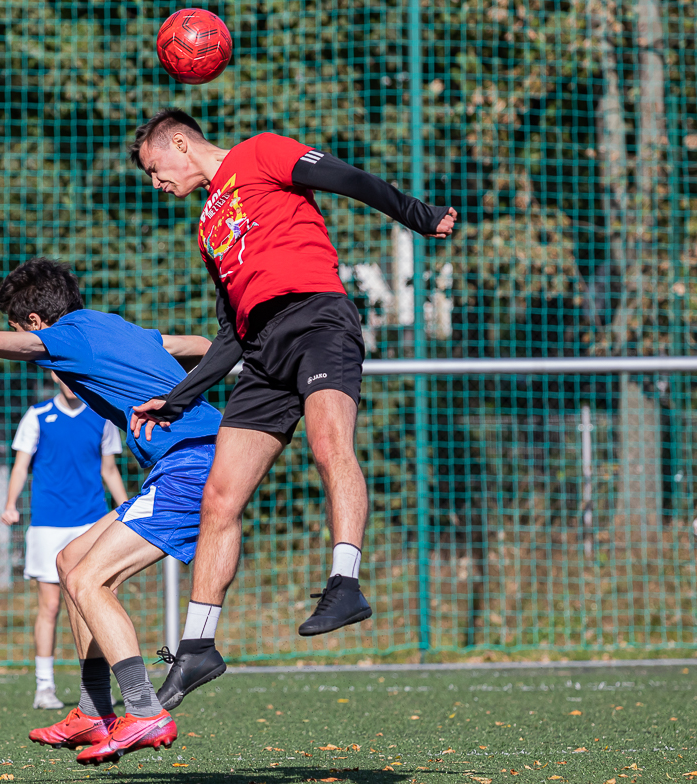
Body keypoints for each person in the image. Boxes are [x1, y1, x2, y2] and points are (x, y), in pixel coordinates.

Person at [127, 108, 457, 709]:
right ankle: (198, 648)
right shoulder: (207, 226)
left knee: (330, 446)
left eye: (155, 169)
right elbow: (229, 334)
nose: (157, 183)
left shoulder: (261, 152)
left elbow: (349, 179)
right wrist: (179, 399)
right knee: (218, 499)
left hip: (318, 320)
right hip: (261, 353)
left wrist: (418, 216)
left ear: (179, 141)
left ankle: (345, 582)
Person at [0, 258, 222, 766]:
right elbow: (206, 347)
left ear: (33, 323)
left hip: (192, 467)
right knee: (71, 560)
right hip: (192, 459)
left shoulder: (67, 338)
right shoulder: (114, 327)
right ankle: (95, 711)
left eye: (16, 327)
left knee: (91, 579)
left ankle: (144, 710)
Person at [2, 370, 128, 709]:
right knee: (51, 606)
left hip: (92, 525)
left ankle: (99, 684)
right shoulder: (37, 416)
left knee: (100, 602)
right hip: (48, 525)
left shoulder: (102, 417)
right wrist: (10, 504)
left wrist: (127, 508)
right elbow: (20, 465)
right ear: (55, 375)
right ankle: (44, 687)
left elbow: (109, 469)